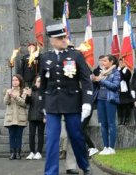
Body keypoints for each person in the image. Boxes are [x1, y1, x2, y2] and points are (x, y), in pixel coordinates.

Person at [41, 23, 93, 175]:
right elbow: (43, 84)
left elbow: (86, 81)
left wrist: (86, 104)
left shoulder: (75, 55)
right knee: (52, 139)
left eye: (65, 37)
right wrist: (42, 106)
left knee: (76, 136)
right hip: (52, 103)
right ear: (52, 40)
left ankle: (84, 165)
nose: (64, 40)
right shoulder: (46, 58)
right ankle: (50, 172)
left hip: (72, 102)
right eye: (60, 38)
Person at [92, 54, 120, 155]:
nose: (102, 63)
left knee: (111, 124)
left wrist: (102, 81)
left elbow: (115, 86)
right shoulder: (102, 72)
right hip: (100, 99)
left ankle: (111, 148)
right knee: (103, 124)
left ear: (111, 62)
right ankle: (105, 146)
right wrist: (94, 80)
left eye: (105, 61)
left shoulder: (116, 72)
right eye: (102, 61)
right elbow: (97, 84)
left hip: (110, 100)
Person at [3, 74, 27, 160]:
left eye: (16, 80)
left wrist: (15, 96)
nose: (15, 82)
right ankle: (12, 153)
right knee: (12, 135)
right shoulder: (8, 90)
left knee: (19, 136)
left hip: (20, 117)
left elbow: (24, 103)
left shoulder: (24, 91)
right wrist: (8, 94)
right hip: (10, 118)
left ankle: (18, 153)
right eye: (13, 80)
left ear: (20, 81)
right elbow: (6, 102)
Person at [25, 76, 45, 160]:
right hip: (32, 116)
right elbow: (27, 102)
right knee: (31, 135)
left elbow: (47, 105)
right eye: (38, 81)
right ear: (35, 82)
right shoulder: (31, 91)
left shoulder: (44, 92)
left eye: (40, 81)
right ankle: (32, 152)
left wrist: (45, 116)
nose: (39, 83)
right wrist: (28, 96)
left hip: (41, 117)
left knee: (40, 135)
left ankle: (39, 152)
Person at [117, 58, 133, 125]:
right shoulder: (116, 71)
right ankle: (120, 119)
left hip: (125, 91)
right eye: (119, 62)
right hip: (118, 91)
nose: (121, 64)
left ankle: (126, 119)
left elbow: (125, 78)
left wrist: (120, 70)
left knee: (126, 106)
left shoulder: (127, 71)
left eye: (122, 62)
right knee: (119, 106)